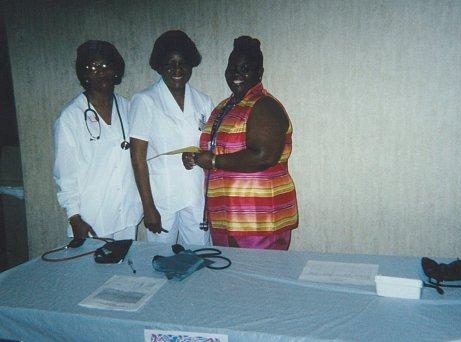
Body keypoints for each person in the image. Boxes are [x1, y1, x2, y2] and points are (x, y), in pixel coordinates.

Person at [183, 36, 298, 250]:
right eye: (232, 68)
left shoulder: (264, 105)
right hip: (226, 216)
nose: (237, 74)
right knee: (232, 281)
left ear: (259, 73)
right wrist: (197, 157)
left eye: (245, 69)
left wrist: (215, 161)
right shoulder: (224, 106)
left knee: (259, 281)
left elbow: (264, 156)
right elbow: (221, 147)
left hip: (258, 220)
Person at [130, 30, 212, 245]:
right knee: (161, 261)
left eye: (183, 63)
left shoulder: (203, 101)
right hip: (161, 197)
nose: (177, 69)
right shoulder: (145, 100)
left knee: (200, 257)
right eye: (170, 64)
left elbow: (211, 147)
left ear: (191, 64)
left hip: (195, 194)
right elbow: (137, 157)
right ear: (159, 66)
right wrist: (148, 206)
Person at [53, 40, 142, 240]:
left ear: (115, 70)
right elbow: (65, 174)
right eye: (91, 67)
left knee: (125, 269)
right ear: (83, 75)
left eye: (105, 65)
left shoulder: (129, 108)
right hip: (92, 218)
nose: (100, 72)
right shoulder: (70, 117)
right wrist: (74, 217)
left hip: (127, 213)